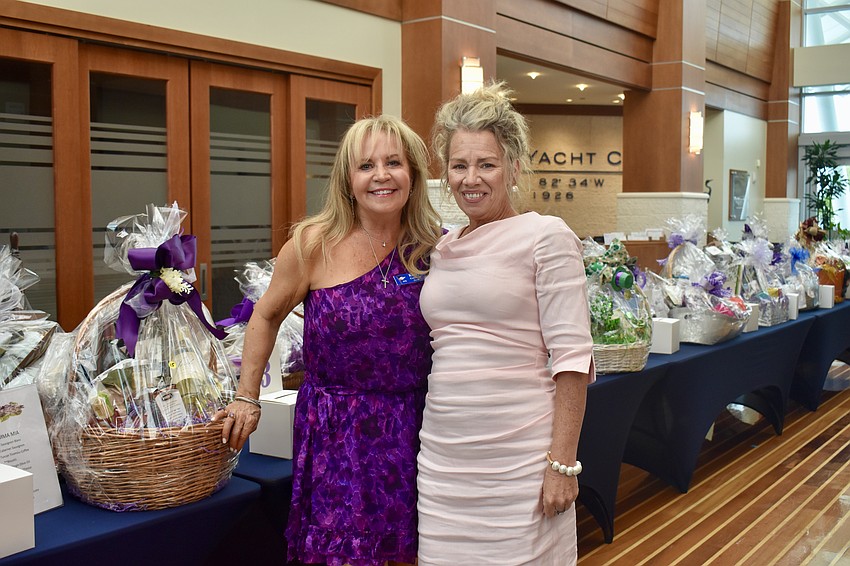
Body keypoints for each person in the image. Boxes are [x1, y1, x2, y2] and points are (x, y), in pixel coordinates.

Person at [217, 114, 442, 566]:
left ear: (413, 174)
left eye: (394, 162)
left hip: (416, 425)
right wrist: (246, 397)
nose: (381, 175)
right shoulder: (312, 244)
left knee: (414, 551)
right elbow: (266, 315)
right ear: (347, 180)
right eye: (366, 166)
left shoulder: (434, 247)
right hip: (338, 432)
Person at [417, 82, 595, 565]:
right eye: (459, 165)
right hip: (444, 458)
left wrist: (562, 464)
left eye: (486, 164)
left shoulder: (546, 236)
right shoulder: (442, 247)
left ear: (514, 168)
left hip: (519, 458)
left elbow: (573, 359)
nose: (470, 178)